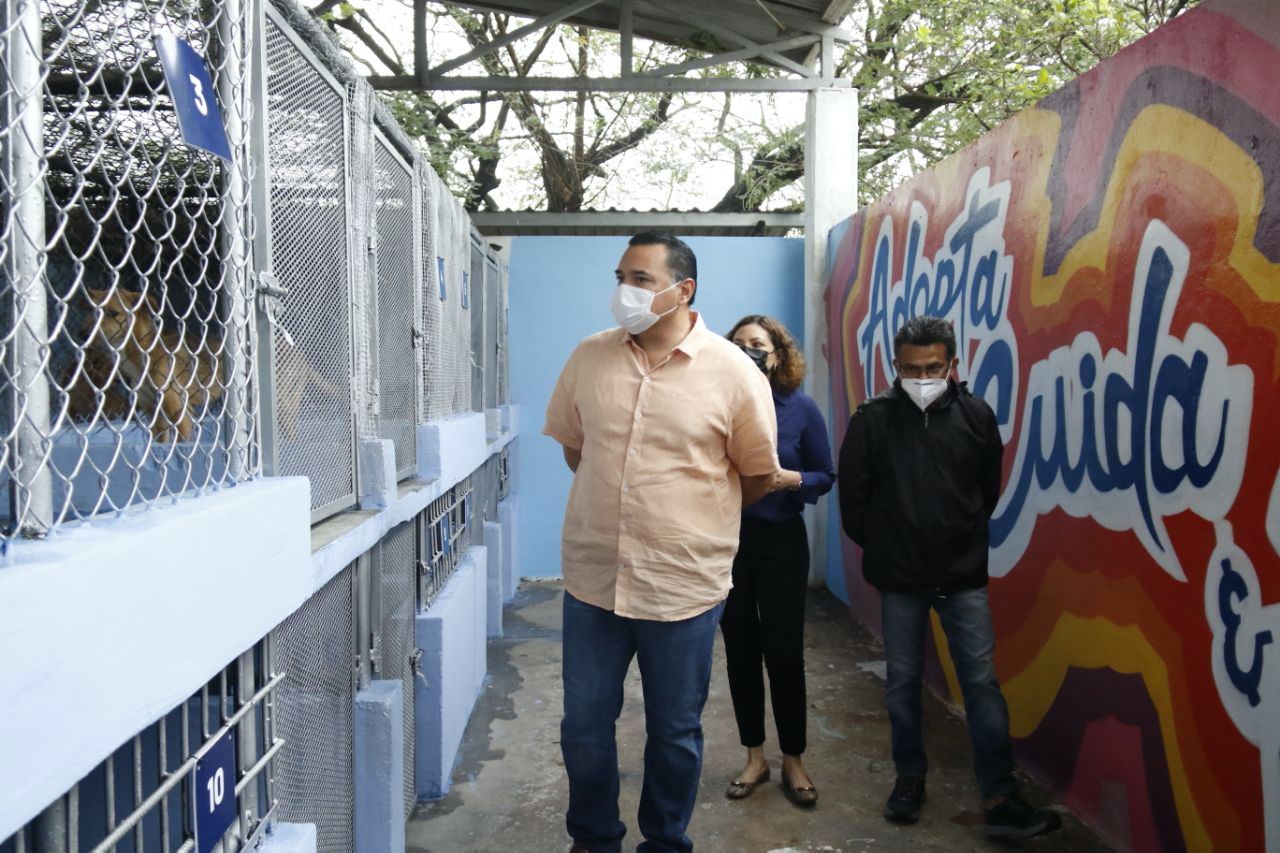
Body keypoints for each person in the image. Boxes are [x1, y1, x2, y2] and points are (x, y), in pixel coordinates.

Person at [543, 232, 781, 853]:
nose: (626, 288)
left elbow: (755, 474)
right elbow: (578, 449)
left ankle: (665, 842)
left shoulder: (733, 372)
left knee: (674, 731)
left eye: (641, 278)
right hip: (594, 580)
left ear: (684, 290)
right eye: (622, 274)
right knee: (584, 729)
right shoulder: (588, 357)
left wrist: (691, 520)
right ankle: (594, 840)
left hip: (684, 588)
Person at [836, 316, 1063, 840]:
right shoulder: (872, 420)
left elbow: (986, 493)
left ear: (953, 364)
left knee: (981, 684)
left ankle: (1001, 796)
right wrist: (893, 551)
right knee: (902, 684)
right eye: (910, 368)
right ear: (896, 366)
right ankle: (909, 779)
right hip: (900, 579)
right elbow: (855, 504)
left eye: (932, 367)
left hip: (962, 578)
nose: (921, 377)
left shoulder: (978, 417)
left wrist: (955, 541)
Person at [720, 315, 834, 807]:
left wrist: (789, 480)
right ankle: (754, 757)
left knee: (785, 654)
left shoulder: (801, 409)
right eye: (739, 344)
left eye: (758, 344)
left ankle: (794, 760)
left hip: (782, 541)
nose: (749, 351)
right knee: (740, 650)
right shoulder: (719, 405)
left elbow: (825, 474)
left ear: (779, 354)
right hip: (727, 543)